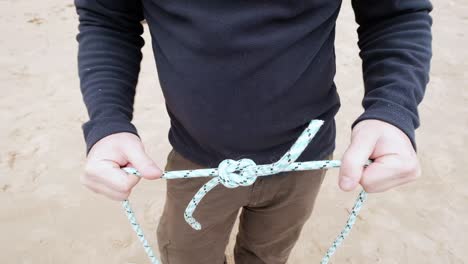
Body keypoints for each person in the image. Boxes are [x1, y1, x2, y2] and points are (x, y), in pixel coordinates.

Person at [75, 1, 432, 263]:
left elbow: (397, 14)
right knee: (187, 256)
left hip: (303, 158)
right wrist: (108, 122)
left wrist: (392, 110)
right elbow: (107, 19)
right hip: (197, 160)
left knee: (267, 256)